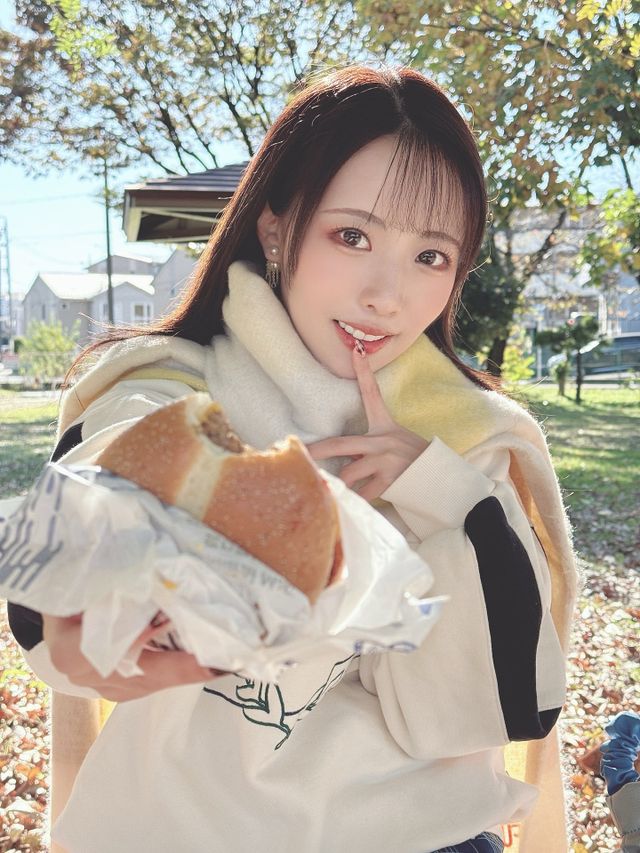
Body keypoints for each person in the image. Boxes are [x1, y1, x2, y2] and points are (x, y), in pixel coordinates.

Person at [7, 64, 578, 853]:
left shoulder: (465, 437)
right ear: (277, 229)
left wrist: (442, 495)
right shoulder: (164, 386)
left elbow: (500, 706)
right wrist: (100, 584)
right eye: (353, 236)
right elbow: (86, 513)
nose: (387, 295)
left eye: (431, 256)